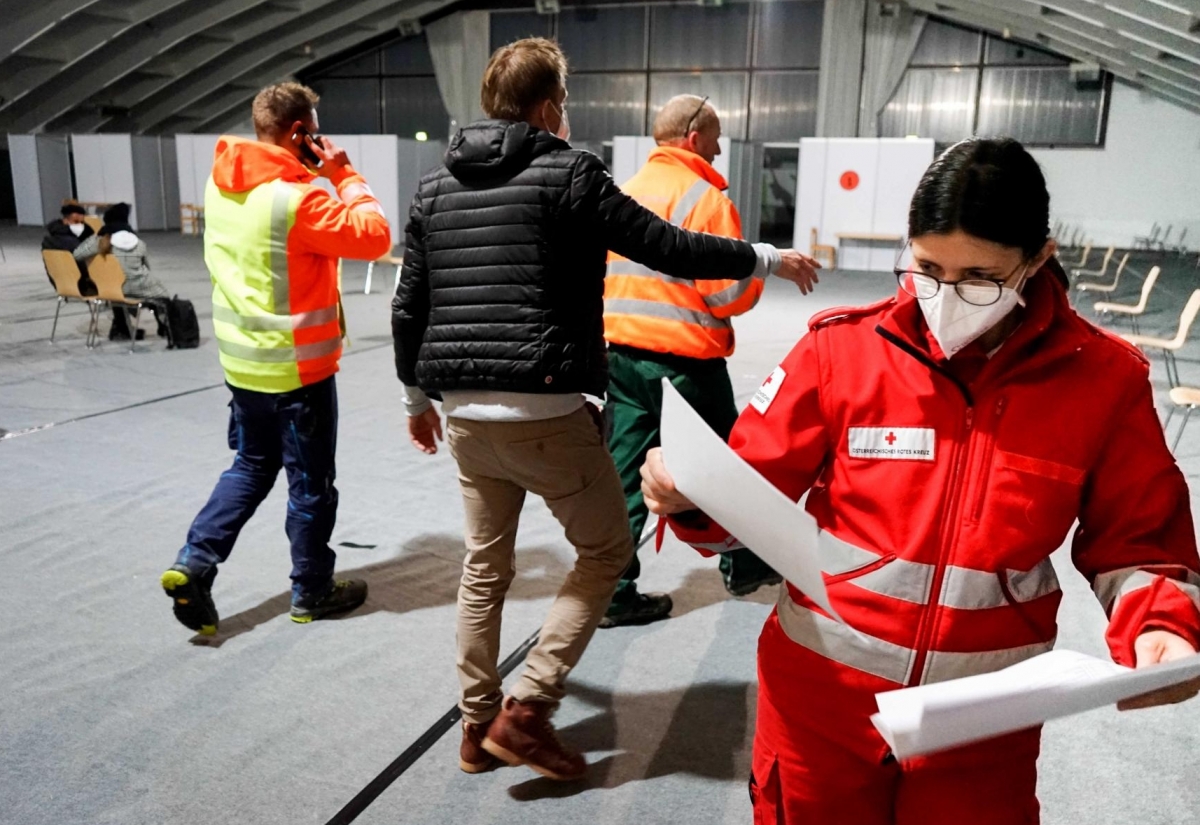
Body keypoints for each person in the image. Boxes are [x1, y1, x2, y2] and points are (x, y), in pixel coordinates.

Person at [639, 138, 1200, 823]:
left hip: (982, 723)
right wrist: (689, 494)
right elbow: (745, 491)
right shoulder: (842, 351)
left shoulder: (1103, 383)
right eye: (928, 268)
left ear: (1037, 262)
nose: (947, 298)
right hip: (823, 705)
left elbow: (1142, 542)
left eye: (980, 278)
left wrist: (1162, 625)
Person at [393, 38, 819, 782]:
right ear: (552, 106)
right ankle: (527, 708)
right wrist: (765, 257)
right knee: (607, 552)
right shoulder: (568, 171)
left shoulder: (433, 188)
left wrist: (416, 399)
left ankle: (474, 724)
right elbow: (670, 247)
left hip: (461, 414)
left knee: (484, 567)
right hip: (545, 411)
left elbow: (409, 306)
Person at [161, 82, 391, 635]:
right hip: (297, 371)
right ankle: (311, 590)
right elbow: (375, 236)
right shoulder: (299, 198)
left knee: (249, 466)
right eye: (313, 130)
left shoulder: (220, 187)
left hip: (242, 368)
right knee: (310, 486)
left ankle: (194, 561)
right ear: (299, 133)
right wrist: (343, 174)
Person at [601, 94, 780, 630]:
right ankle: (744, 565)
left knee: (622, 476)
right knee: (725, 470)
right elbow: (725, 296)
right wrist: (755, 277)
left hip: (622, 359)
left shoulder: (621, 192)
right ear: (695, 137)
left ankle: (613, 592)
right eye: (718, 137)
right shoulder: (705, 199)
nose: (721, 148)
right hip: (686, 367)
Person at [74, 202, 170, 340]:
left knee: (116, 285)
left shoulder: (100, 242)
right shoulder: (139, 243)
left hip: (110, 289)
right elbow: (147, 268)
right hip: (138, 288)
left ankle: (122, 327)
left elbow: (77, 254)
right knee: (161, 294)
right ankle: (165, 327)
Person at [42, 202, 95, 293]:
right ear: (65, 221)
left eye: (82, 222)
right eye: (76, 222)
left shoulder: (47, 241)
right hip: (83, 286)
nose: (80, 225)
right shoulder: (73, 243)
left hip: (60, 284)